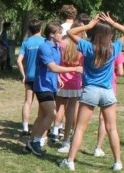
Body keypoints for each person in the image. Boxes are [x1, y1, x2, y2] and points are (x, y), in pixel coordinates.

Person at [61, 13, 124, 172]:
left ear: (95, 33)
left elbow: (70, 32)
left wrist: (88, 25)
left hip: (90, 91)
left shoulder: (87, 47)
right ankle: (118, 162)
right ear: (110, 35)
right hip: (107, 91)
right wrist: (113, 23)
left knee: (80, 128)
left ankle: (70, 161)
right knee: (112, 128)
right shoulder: (114, 48)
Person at [24, 23, 83, 156]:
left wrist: (58, 78)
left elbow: (54, 67)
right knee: (52, 114)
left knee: (42, 116)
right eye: (59, 33)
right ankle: (36, 142)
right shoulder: (44, 47)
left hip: (51, 85)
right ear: (51, 34)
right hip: (42, 86)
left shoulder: (56, 46)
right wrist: (75, 68)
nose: (62, 35)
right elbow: (53, 67)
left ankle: (30, 143)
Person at [55, 23, 84, 153]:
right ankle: (67, 139)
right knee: (72, 110)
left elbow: (57, 63)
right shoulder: (82, 46)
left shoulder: (62, 44)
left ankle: (54, 131)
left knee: (59, 107)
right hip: (75, 81)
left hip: (61, 80)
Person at [92, 50, 124, 157]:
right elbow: (120, 71)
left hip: (92, 86)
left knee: (81, 122)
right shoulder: (116, 50)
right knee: (104, 119)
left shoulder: (93, 49)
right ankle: (98, 148)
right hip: (108, 87)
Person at [17, 20, 46, 135]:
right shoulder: (45, 41)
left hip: (29, 76)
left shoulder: (26, 43)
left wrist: (23, 75)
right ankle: (40, 126)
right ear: (41, 28)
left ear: (29, 30)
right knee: (42, 103)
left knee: (27, 102)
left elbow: (19, 61)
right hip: (41, 77)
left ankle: (25, 128)